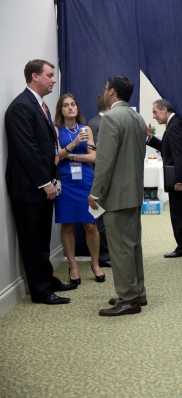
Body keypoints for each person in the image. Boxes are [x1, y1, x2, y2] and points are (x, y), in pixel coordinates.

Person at [4, 59, 77, 305]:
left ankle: (47, 279)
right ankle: (41, 291)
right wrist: (44, 182)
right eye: (49, 75)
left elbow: (50, 150)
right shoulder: (20, 108)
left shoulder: (41, 106)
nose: (53, 80)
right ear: (35, 77)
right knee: (32, 241)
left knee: (42, 239)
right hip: (29, 189)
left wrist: (54, 180)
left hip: (45, 186)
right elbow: (28, 151)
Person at [89, 75, 147, 316]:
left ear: (112, 92)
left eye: (105, 89)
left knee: (120, 247)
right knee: (132, 245)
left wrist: (95, 192)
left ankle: (128, 299)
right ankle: (137, 293)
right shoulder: (137, 117)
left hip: (116, 195)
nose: (103, 92)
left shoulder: (111, 118)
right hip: (133, 191)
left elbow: (104, 162)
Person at [53, 93, 106, 285]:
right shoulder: (56, 130)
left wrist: (72, 156)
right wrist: (74, 145)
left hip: (86, 181)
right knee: (67, 225)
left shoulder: (86, 129)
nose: (70, 108)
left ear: (77, 108)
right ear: (61, 109)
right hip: (64, 182)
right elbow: (56, 156)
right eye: (66, 105)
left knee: (91, 224)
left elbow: (93, 157)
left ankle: (95, 264)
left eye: (73, 104)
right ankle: (73, 267)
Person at [146, 99, 182, 258]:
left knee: (179, 214)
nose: (154, 116)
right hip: (177, 179)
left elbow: (179, 156)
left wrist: (180, 181)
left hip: (178, 181)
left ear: (165, 110)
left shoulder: (174, 127)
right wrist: (151, 138)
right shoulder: (174, 124)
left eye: (155, 112)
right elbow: (167, 149)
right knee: (180, 213)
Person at [86, 93, 111, 268]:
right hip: (99, 176)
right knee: (101, 218)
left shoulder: (93, 122)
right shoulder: (102, 124)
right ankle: (103, 256)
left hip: (99, 176)